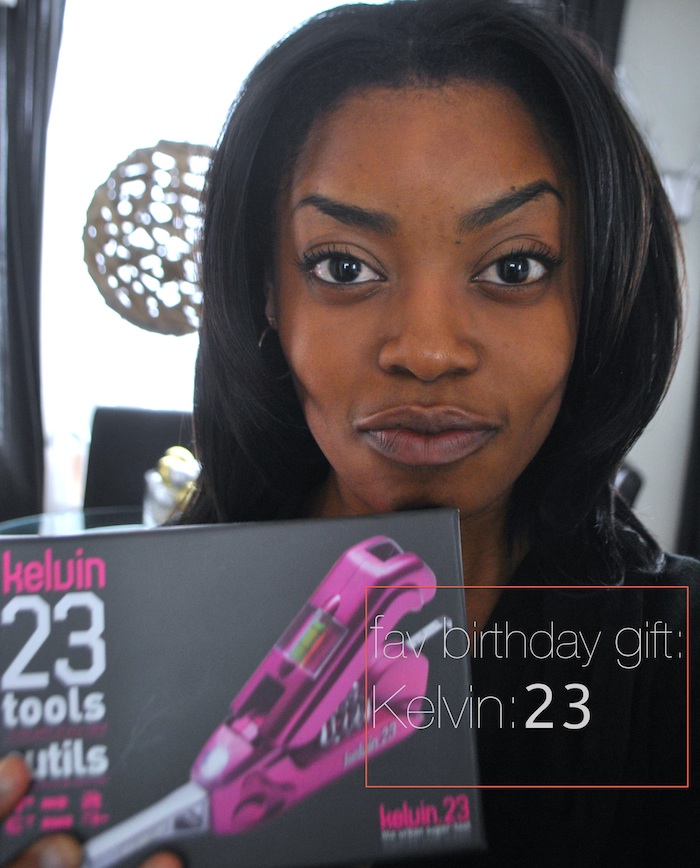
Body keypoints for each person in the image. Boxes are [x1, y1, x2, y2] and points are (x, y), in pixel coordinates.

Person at [2, 0, 697, 865]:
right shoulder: (89, 657)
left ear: (594, 298)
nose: (427, 351)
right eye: (343, 267)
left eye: (514, 267)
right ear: (266, 292)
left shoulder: (673, 662)